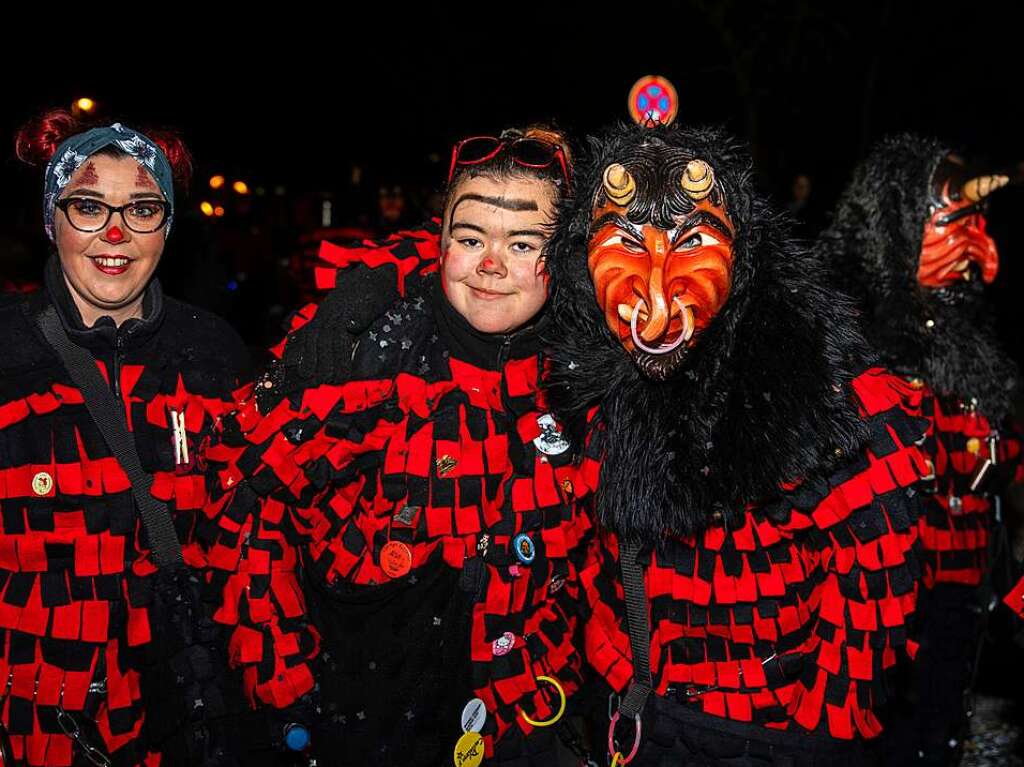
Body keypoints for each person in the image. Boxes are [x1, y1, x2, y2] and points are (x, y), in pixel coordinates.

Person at [204, 127, 596, 765]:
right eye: (470, 239)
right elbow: (244, 504)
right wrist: (286, 686)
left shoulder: (587, 368)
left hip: (516, 721)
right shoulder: (367, 351)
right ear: (440, 241)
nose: (491, 264)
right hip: (358, 718)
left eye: (523, 243)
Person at [542, 122, 930, 766]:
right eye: (625, 240)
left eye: (694, 238)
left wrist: (813, 735)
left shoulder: (824, 386)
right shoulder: (576, 373)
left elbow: (875, 586)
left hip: (766, 732)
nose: (657, 285)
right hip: (628, 712)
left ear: (742, 250)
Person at [1, 110, 251, 766]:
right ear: (50, 219)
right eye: (88, 205)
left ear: (167, 227)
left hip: (174, 719)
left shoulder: (213, 353)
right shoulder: (5, 349)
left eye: (143, 208)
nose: (115, 232)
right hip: (27, 726)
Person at [817, 134, 1023, 766]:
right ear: (899, 224)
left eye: (979, 228)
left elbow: (999, 465)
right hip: (879, 599)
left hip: (962, 587)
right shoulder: (848, 340)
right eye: (954, 227)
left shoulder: (974, 337)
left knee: (939, 733)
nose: (983, 259)